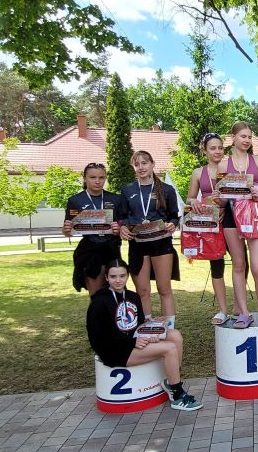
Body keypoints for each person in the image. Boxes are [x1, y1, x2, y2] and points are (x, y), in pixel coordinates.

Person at [86, 259, 202, 410]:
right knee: (170, 348)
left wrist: (151, 330)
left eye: (122, 276)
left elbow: (138, 326)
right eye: (113, 276)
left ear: (127, 276)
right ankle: (177, 394)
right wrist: (132, 342)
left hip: (134, 341)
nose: (118, 280)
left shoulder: (133, 297)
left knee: (175, 335)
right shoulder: (99, 302)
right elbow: (98, 338)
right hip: (115, 350)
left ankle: (172, 381)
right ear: (107, 278)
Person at [218, 121, 258, 328]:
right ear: (232, 138)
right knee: (238, 265)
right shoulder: (223, 165)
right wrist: (219, 196)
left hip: (256, 218)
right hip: (232, 219)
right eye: (243, 136)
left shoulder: (257, 161)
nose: (247, 140)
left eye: (250, 137)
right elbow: (221, 201)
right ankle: (243, 313)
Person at [119, 151, 180, 320]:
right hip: (138, 244)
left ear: (153, 164)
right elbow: (122, 216)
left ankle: (169, 328)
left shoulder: (167, 189)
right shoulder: (127, 189)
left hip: (161, 243)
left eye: (144, 163)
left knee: (164, 289)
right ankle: (146, 326)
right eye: (137, 164)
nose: (141, 167)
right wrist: (123, 227)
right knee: (143, 290)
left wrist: (172, 224)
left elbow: (174, 216)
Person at [187, 133, 230, 324]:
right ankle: (223, 310)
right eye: (213, 148)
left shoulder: (231, 169)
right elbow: (190, 197)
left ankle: (240, 308)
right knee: (217, 265)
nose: (217, 151)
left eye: (220, 148)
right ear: (205, 150)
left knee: (241, 263)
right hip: (210, 224)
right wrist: (194, 201)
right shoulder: (198, 172)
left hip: (230, 220)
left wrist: (225, 206)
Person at [62, 163, 123, 296]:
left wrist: (119, 229)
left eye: (101, 177)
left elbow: (123, 226)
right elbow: (67, 231)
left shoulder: (116, 199)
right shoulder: (75, 200)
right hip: (90, 251)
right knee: (96, 295)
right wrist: (66, 230)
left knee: (117, 291)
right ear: (85, 178)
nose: (97, 181)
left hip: (111, 249)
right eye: (93, 177)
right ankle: (96, 310)